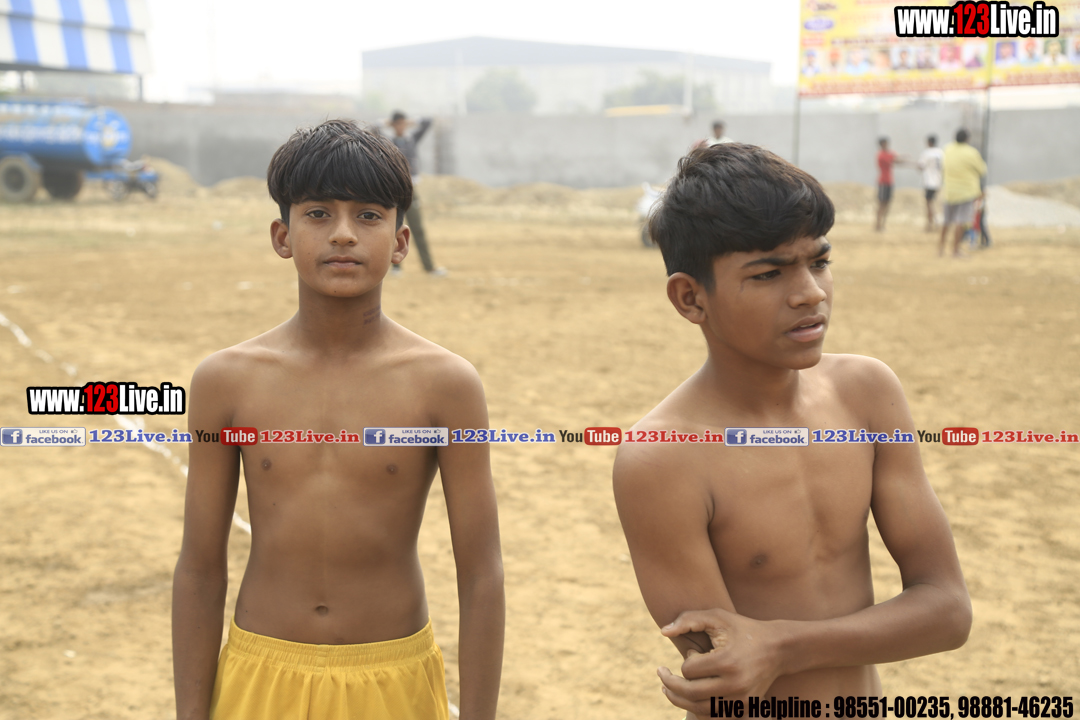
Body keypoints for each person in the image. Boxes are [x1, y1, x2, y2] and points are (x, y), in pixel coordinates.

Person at [613, 143, 971, 716]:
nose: (811, 293)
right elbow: (725, 682)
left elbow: (948, 610)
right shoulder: (663, 459)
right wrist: (772, 653)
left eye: (819, 262)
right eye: (769, 273)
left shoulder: (867, 395)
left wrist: (780, 645)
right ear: (690, 298)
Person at [172, 119, 505, 720]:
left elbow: (481, 573)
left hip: (393, 682)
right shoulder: (226, 382)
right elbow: (198, 568)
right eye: (319, 213)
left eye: (369, 215)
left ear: (400, 242)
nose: (344, 234)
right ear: (283, 235)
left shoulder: (446, 386)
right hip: (260, 677)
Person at [387, 110, 446, 276]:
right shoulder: (388, 142)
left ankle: (429, 267)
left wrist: (411, 121)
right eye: (397, 124)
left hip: (411, 190)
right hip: (394, 190)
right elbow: (372, 129)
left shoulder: (411, 139)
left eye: (403, 123)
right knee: (393, 228)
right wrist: (386, 123)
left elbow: (427, 122)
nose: (401, 127)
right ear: (393, 125)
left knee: (417, 229)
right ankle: (395, 267)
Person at [939, 128, 988, 257]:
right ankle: (955, 250)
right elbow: (982, 170)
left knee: (946, 221)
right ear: (967, 139)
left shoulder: (947, 149)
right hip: (966, 192)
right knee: (960, 221)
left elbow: (943, 167)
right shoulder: (971, 152)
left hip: (949, 191)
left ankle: (940, 249)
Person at [874, 136, 906, 232]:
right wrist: (904, 159)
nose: (886, 145)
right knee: (882, 204)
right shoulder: (881, 155)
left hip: (889, 182)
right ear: (881, 144)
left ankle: (882, 225)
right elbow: (895, 160)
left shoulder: (889, 153)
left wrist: (904, 158)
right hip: (883, 182)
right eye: (884, 143)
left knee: (887, 204)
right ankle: (878, 225)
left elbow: (896, 158)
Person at [918, 134, 945, 231]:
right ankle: (932, 222)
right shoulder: (941, 152)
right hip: (938, 181)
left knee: (929, 203)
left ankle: (932, 223)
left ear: (929, 142)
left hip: (929, 181)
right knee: (931, 202)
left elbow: (921, 166)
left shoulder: (927, 153)